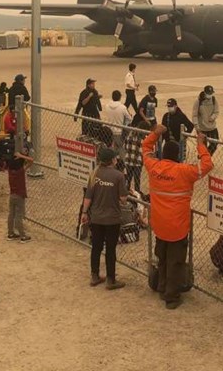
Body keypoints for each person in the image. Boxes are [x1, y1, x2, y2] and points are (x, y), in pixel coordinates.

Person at [143, 124, 214, 309]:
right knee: (175, 261)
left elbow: (145, 149)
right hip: (177, 226)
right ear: (178, 156)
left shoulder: (154, 168)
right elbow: (207, 164)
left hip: (159, 224)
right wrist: (200, 144)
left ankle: (162, 285)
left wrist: (156, 133)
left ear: (163, 154)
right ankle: (171, 297)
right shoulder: (184, 171)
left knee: (162, 256)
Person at [80, 147, 129, 289]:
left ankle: (94, 275)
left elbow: (88, 197)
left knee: (96, 247)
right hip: (112, 218)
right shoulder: (118, 176)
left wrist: (84, 212)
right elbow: (123, 199)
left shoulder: (94, 174)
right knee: (110, 249)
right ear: (112, 160)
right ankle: (110, 279)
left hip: (96, 217)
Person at [7, 151, 35, 242]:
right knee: (19, 215)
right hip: (19, 195)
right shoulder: (21, 171)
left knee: (11, 214)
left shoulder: (10, 171)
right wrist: (21, 156)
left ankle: (10, 233)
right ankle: (23, 236)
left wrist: (17, 156)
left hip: (12, 195)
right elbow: (31, 160)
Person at [102, 90, 133, 157]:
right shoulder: (123, 107)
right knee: (120, 148)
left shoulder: (107, 106)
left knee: (111, 148)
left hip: (109, 131)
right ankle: (121, 162)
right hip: (118, 131)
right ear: (120, 97)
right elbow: (130, 119)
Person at [122, 119, 150, 193]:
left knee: (128, 180)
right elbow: (143, 152)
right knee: (137, 182)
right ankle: (136, 196)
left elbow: (125, 146)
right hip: (138, 162)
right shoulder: (144, 139)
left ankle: (126, 193)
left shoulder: (130, 135)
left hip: (128, 160)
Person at [191, 85, 219, 155]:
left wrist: (212, 117)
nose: (210, 95)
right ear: (205, 93)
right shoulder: (198, 101)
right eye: (208, 93)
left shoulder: (214, 100)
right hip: (202, 128)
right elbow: (194, 115)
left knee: (214, 144)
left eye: (211, 93)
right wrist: (197, 127)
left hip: (212, 127)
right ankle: (204, 159)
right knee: (203, 147)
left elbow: (216, 111)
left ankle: (206, 157)